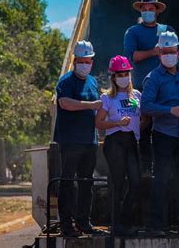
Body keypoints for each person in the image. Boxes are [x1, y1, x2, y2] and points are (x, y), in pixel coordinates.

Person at [124, 0, 179, 175]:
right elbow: (132, 57)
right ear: (140, 10)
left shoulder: (167, 30)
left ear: (157, 11)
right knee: (144, 126)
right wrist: (154, 52)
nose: (147, 11)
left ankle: (168, 168)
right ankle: (145, 167)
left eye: (151, 9)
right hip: (140, 87)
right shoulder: (133, 32)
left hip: (168, 88)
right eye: (144, 9)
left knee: (166, 126)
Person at [140, 31, 179, 237]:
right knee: (161, 180)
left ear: (178, 53)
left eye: (173, 51)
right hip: (163, 136)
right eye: (165, 51)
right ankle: (158, 225)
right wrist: (168, 110)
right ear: (159, 53)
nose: (170, 55)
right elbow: (146, 106)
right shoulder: (153, 78)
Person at [54, 40, 103, 237]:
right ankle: (66, 224)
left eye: (88, 61)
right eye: (82, 61)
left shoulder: (92, 81)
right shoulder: (65, 82)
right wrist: (89, 105)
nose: (85, 64)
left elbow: (100, 105)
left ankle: (84, 222)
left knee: (86, 183)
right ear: (75, 61)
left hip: (89, 141)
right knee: (67, 182)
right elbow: (65, 103)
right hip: (70, 140)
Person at [95, 55, 141, 236]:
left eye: (126, 73)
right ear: (113, 77)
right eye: (120, 74)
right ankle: (116, 224)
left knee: (136, 182)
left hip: (132, 140)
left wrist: (138, 126)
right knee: (118, 182)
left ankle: (125, 219)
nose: (124, 77)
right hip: (115, 141)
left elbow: (141, 117)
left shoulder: (136, 95)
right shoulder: (107, 98)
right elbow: (98, 123)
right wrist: (117, 123)